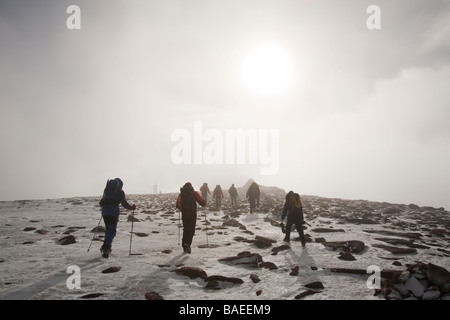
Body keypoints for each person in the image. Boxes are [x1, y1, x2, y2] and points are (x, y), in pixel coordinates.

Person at [99, 178, 136, 258]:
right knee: (112, 231)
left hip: (105, 213)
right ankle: (106, 247)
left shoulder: (107, 190)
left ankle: (106, 247)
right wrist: (131, 208)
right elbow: (124, 203)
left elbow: (101, 203)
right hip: (113, 213)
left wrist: (106, 206)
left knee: (108, 230)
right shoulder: (119, 192)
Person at [176, 182, 206, 253]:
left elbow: (177, 205)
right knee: (191, 230)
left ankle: (184, 245)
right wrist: (204, 202)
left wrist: (182, 208)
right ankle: (188, 244)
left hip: (184, 214)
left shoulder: (181, 194)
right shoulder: (194, 193)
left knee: (185, 229)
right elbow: (201, 202)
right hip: (192, 214)